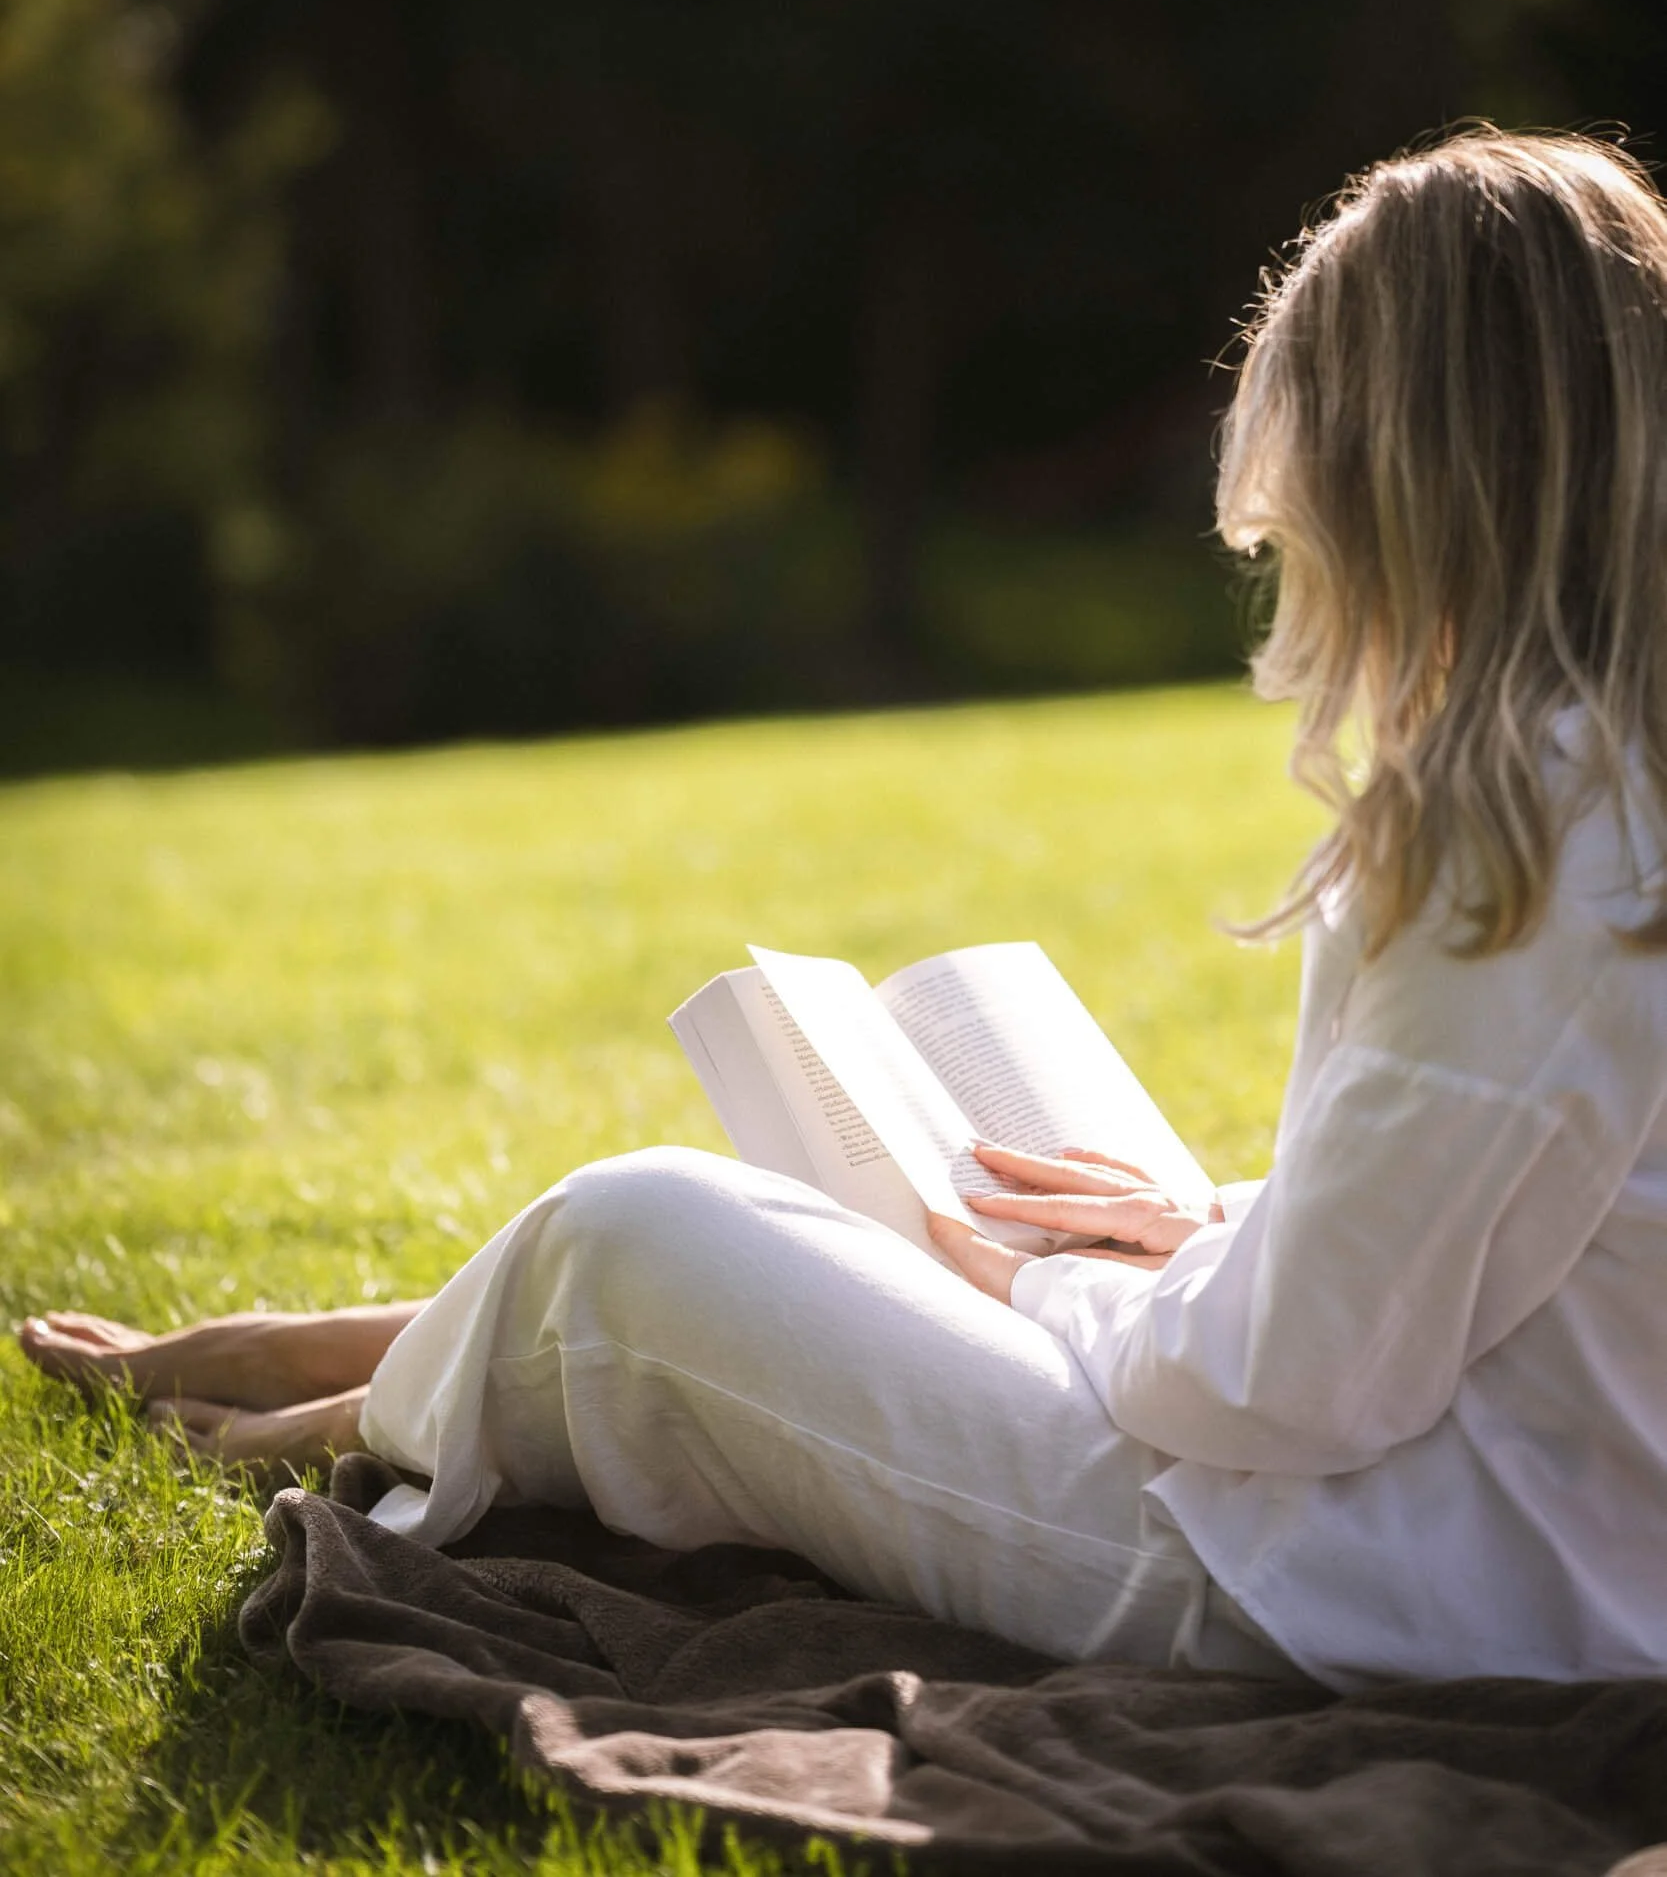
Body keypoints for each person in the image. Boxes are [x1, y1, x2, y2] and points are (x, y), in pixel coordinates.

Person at [20, 127, 1667, 1693]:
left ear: (1407, 475)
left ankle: (296, 1410)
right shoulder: (1607, 787)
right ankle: (327, 1364)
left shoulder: (1511, 834)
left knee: (639, 1232)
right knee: (911, 1221)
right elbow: (1518, 1222)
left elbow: (1286, 1387)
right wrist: (1221, 1230)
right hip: (1506, 1550)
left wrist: (1045, 1288)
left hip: (1341, 1579)